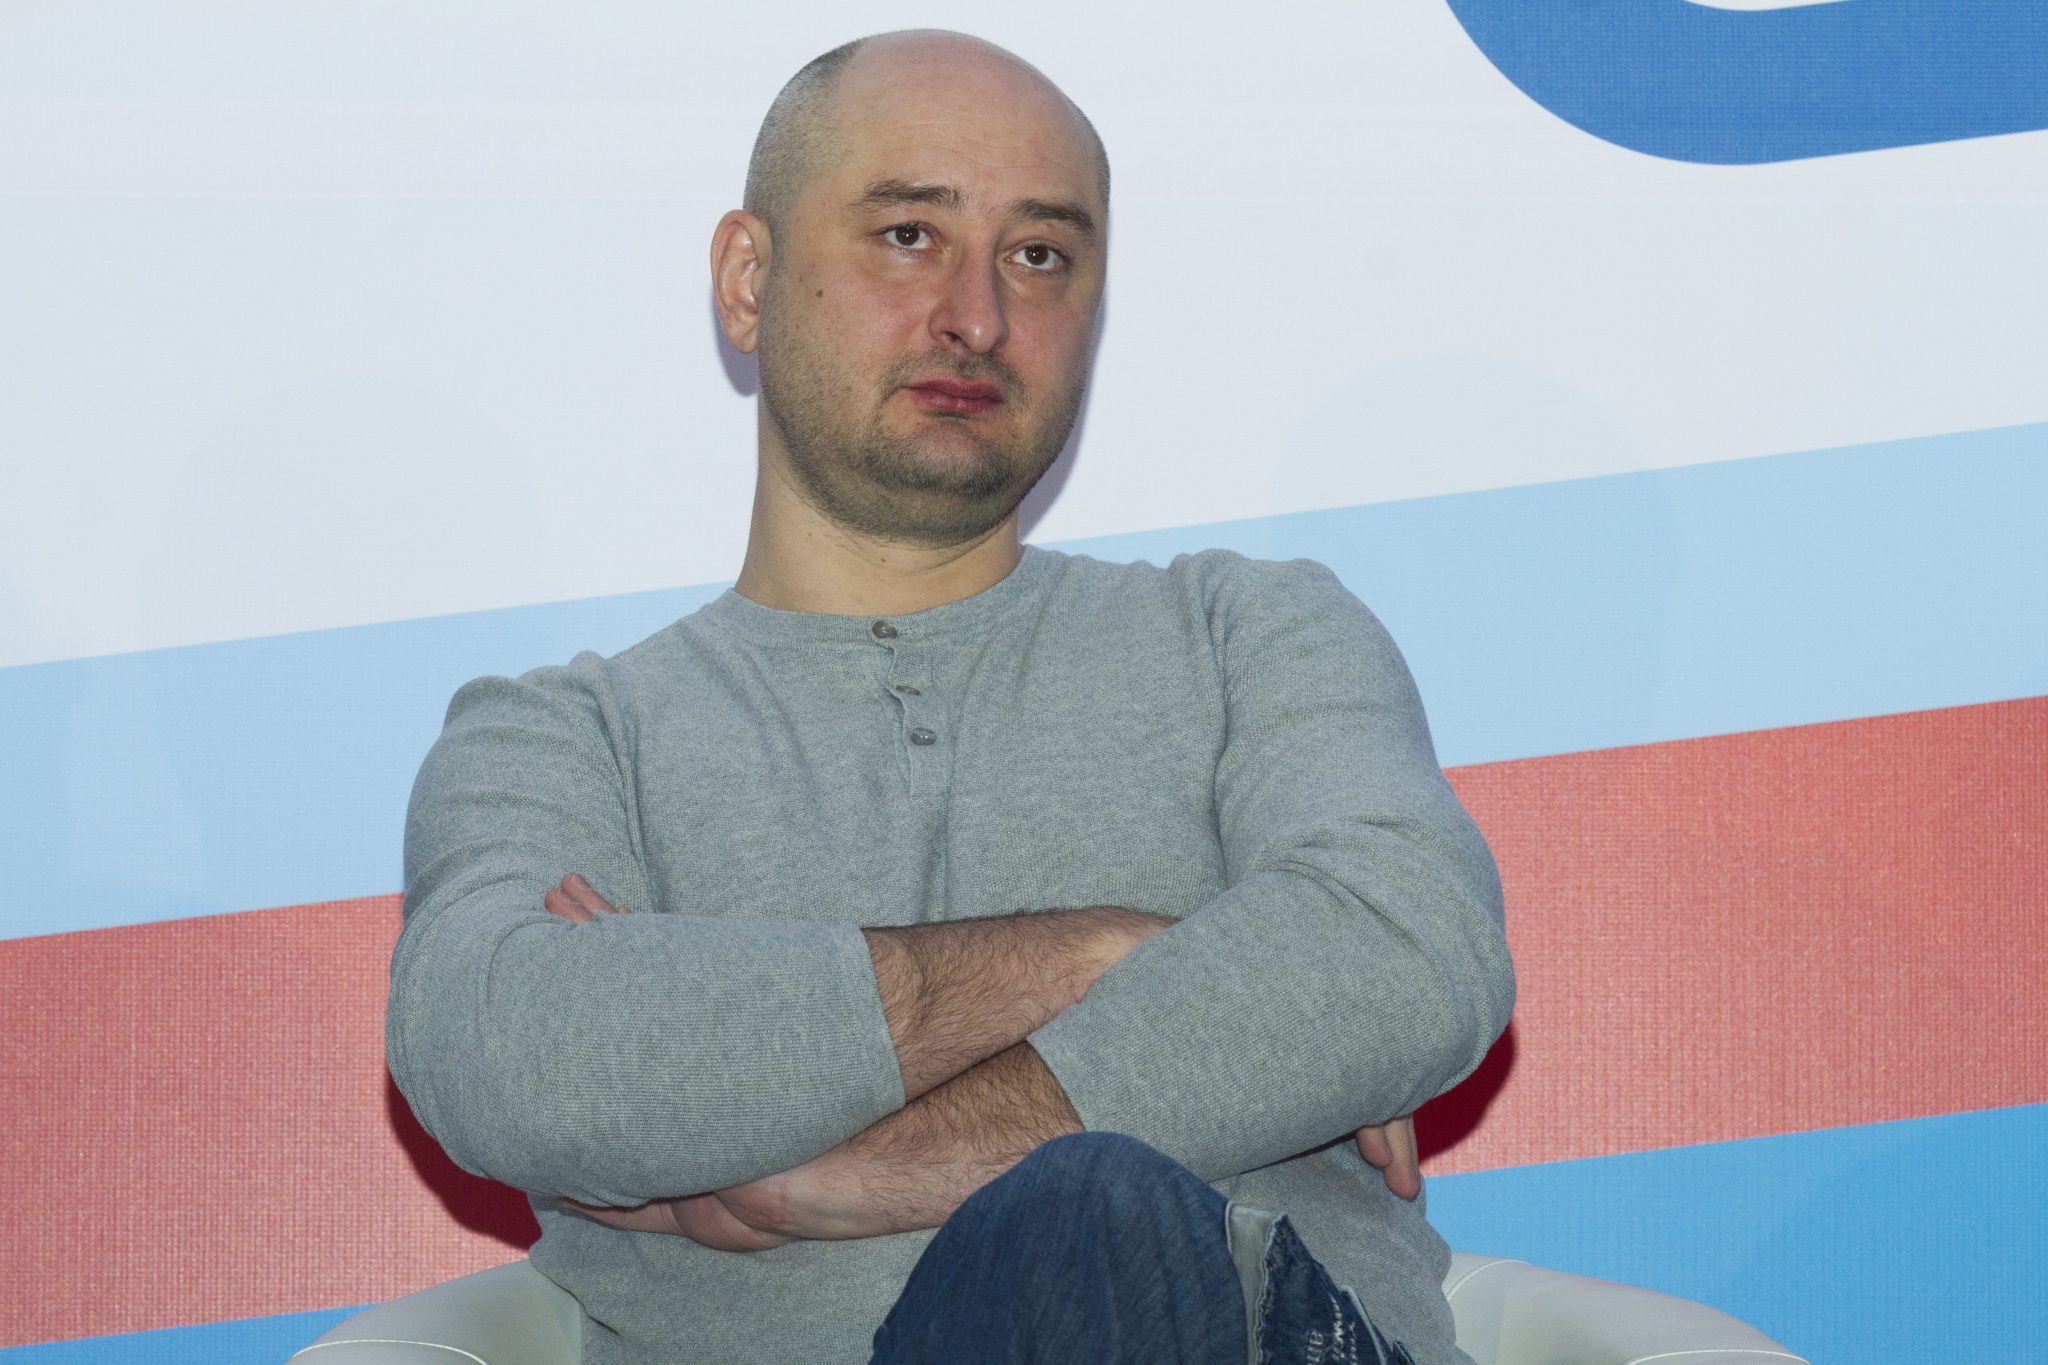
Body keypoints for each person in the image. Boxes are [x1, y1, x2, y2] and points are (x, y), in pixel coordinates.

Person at [388, 28, 1514, 1365]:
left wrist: (847, 1171)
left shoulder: (1251, 631)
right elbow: (507, 1050)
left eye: (1039, 255)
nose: (978, 316)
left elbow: (1407, 947)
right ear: (748, 282)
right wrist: (1109, 955)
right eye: (909, 235)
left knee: (1094, 1213)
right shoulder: (561, 740)